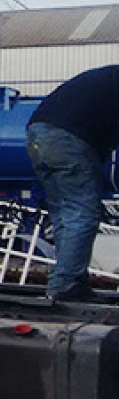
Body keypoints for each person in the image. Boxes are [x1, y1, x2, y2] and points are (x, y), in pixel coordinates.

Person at [25, 65, 119, 301]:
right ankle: (66, 285)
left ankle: (69, 281)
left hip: (38, 135)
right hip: (68, 138)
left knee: (64, 214)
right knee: (82, 212)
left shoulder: (109, 79)